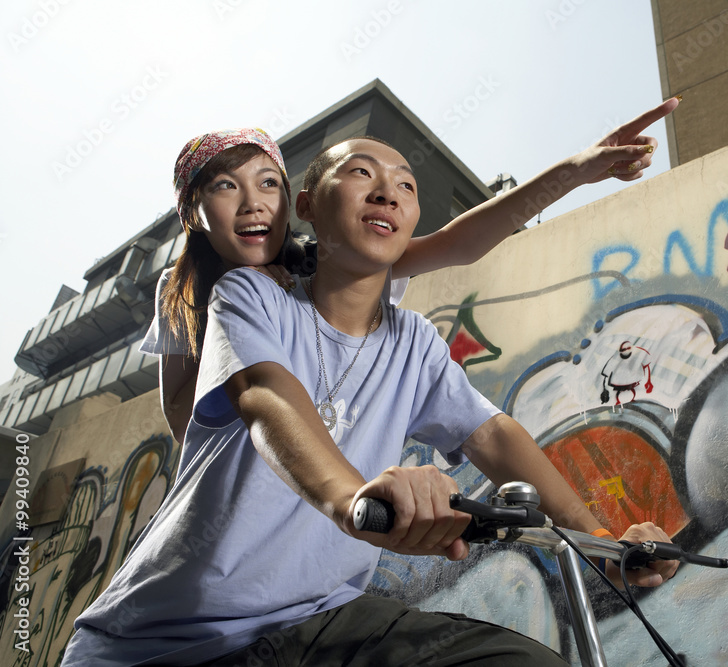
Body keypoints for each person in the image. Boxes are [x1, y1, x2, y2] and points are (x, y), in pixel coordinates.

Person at [63, 102, 682, 666]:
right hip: (170, 641)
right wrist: (350, 500)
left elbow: (493, 431)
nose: (387, 192)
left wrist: (597, 539)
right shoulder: (239, 294)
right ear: (310, 204)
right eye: (362, 174)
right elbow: (255, 399)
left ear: (287, 205)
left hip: (316, 621)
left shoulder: (408, 334)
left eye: (407, 185)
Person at [148, 99, 680, 446]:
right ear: (191, 212)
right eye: (224, 187)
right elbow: (179, 407)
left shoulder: (327, 264)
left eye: (268, 185)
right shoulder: (182, 295)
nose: (252, 204)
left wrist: (574, 171)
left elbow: (458, 243)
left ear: (294, 202)